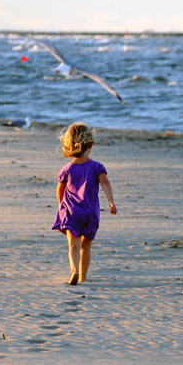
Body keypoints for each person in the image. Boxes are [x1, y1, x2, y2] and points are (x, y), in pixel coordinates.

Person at [53, 122, 117, 284]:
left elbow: (60, 190)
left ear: (69, 145)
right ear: (91, 144)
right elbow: (105, 183)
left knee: (73, 245)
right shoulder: (97, 167)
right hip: (90, 213)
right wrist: (111, 201)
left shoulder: (66, 169)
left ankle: (74, 271)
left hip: (72, 212)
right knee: (86, 245)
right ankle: (83, 277)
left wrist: (62, 205)